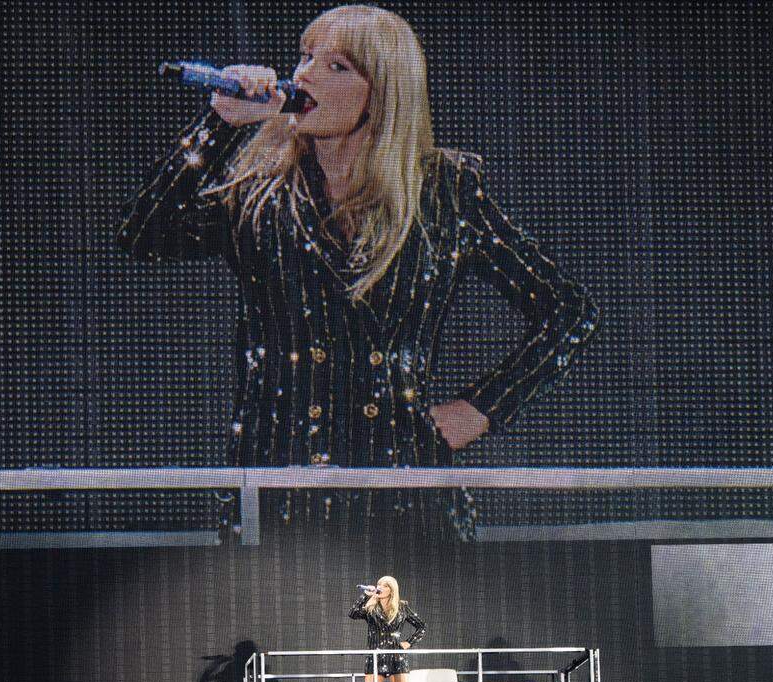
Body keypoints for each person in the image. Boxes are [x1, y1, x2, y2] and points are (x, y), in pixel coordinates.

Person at [116, 5, 598, 538]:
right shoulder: (260, 193)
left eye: (336, 66)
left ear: (383, 92)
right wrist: (219, 125)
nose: (304, 76)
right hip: (280, 496)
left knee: (403, 599)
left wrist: (480, 409)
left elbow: (569, 312)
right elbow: (144, 236)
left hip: (405, 497)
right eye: (305, 57)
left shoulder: (443, 191)